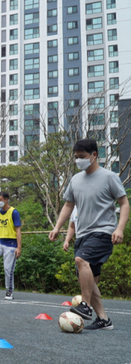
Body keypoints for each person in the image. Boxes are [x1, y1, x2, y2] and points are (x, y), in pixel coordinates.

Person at [49, 139, 129, 330]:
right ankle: (103, 319)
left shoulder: (109, 177)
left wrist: (119, 229)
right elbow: (69, 205)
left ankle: (84, 306)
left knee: (80, 260)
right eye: (76, 158)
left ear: (94, 155)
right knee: (89, 280)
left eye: (82, 157)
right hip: (83, 234)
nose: (79, 161)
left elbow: (124, 204)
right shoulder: (76, 180)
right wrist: (57, 226)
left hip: (103, 232)